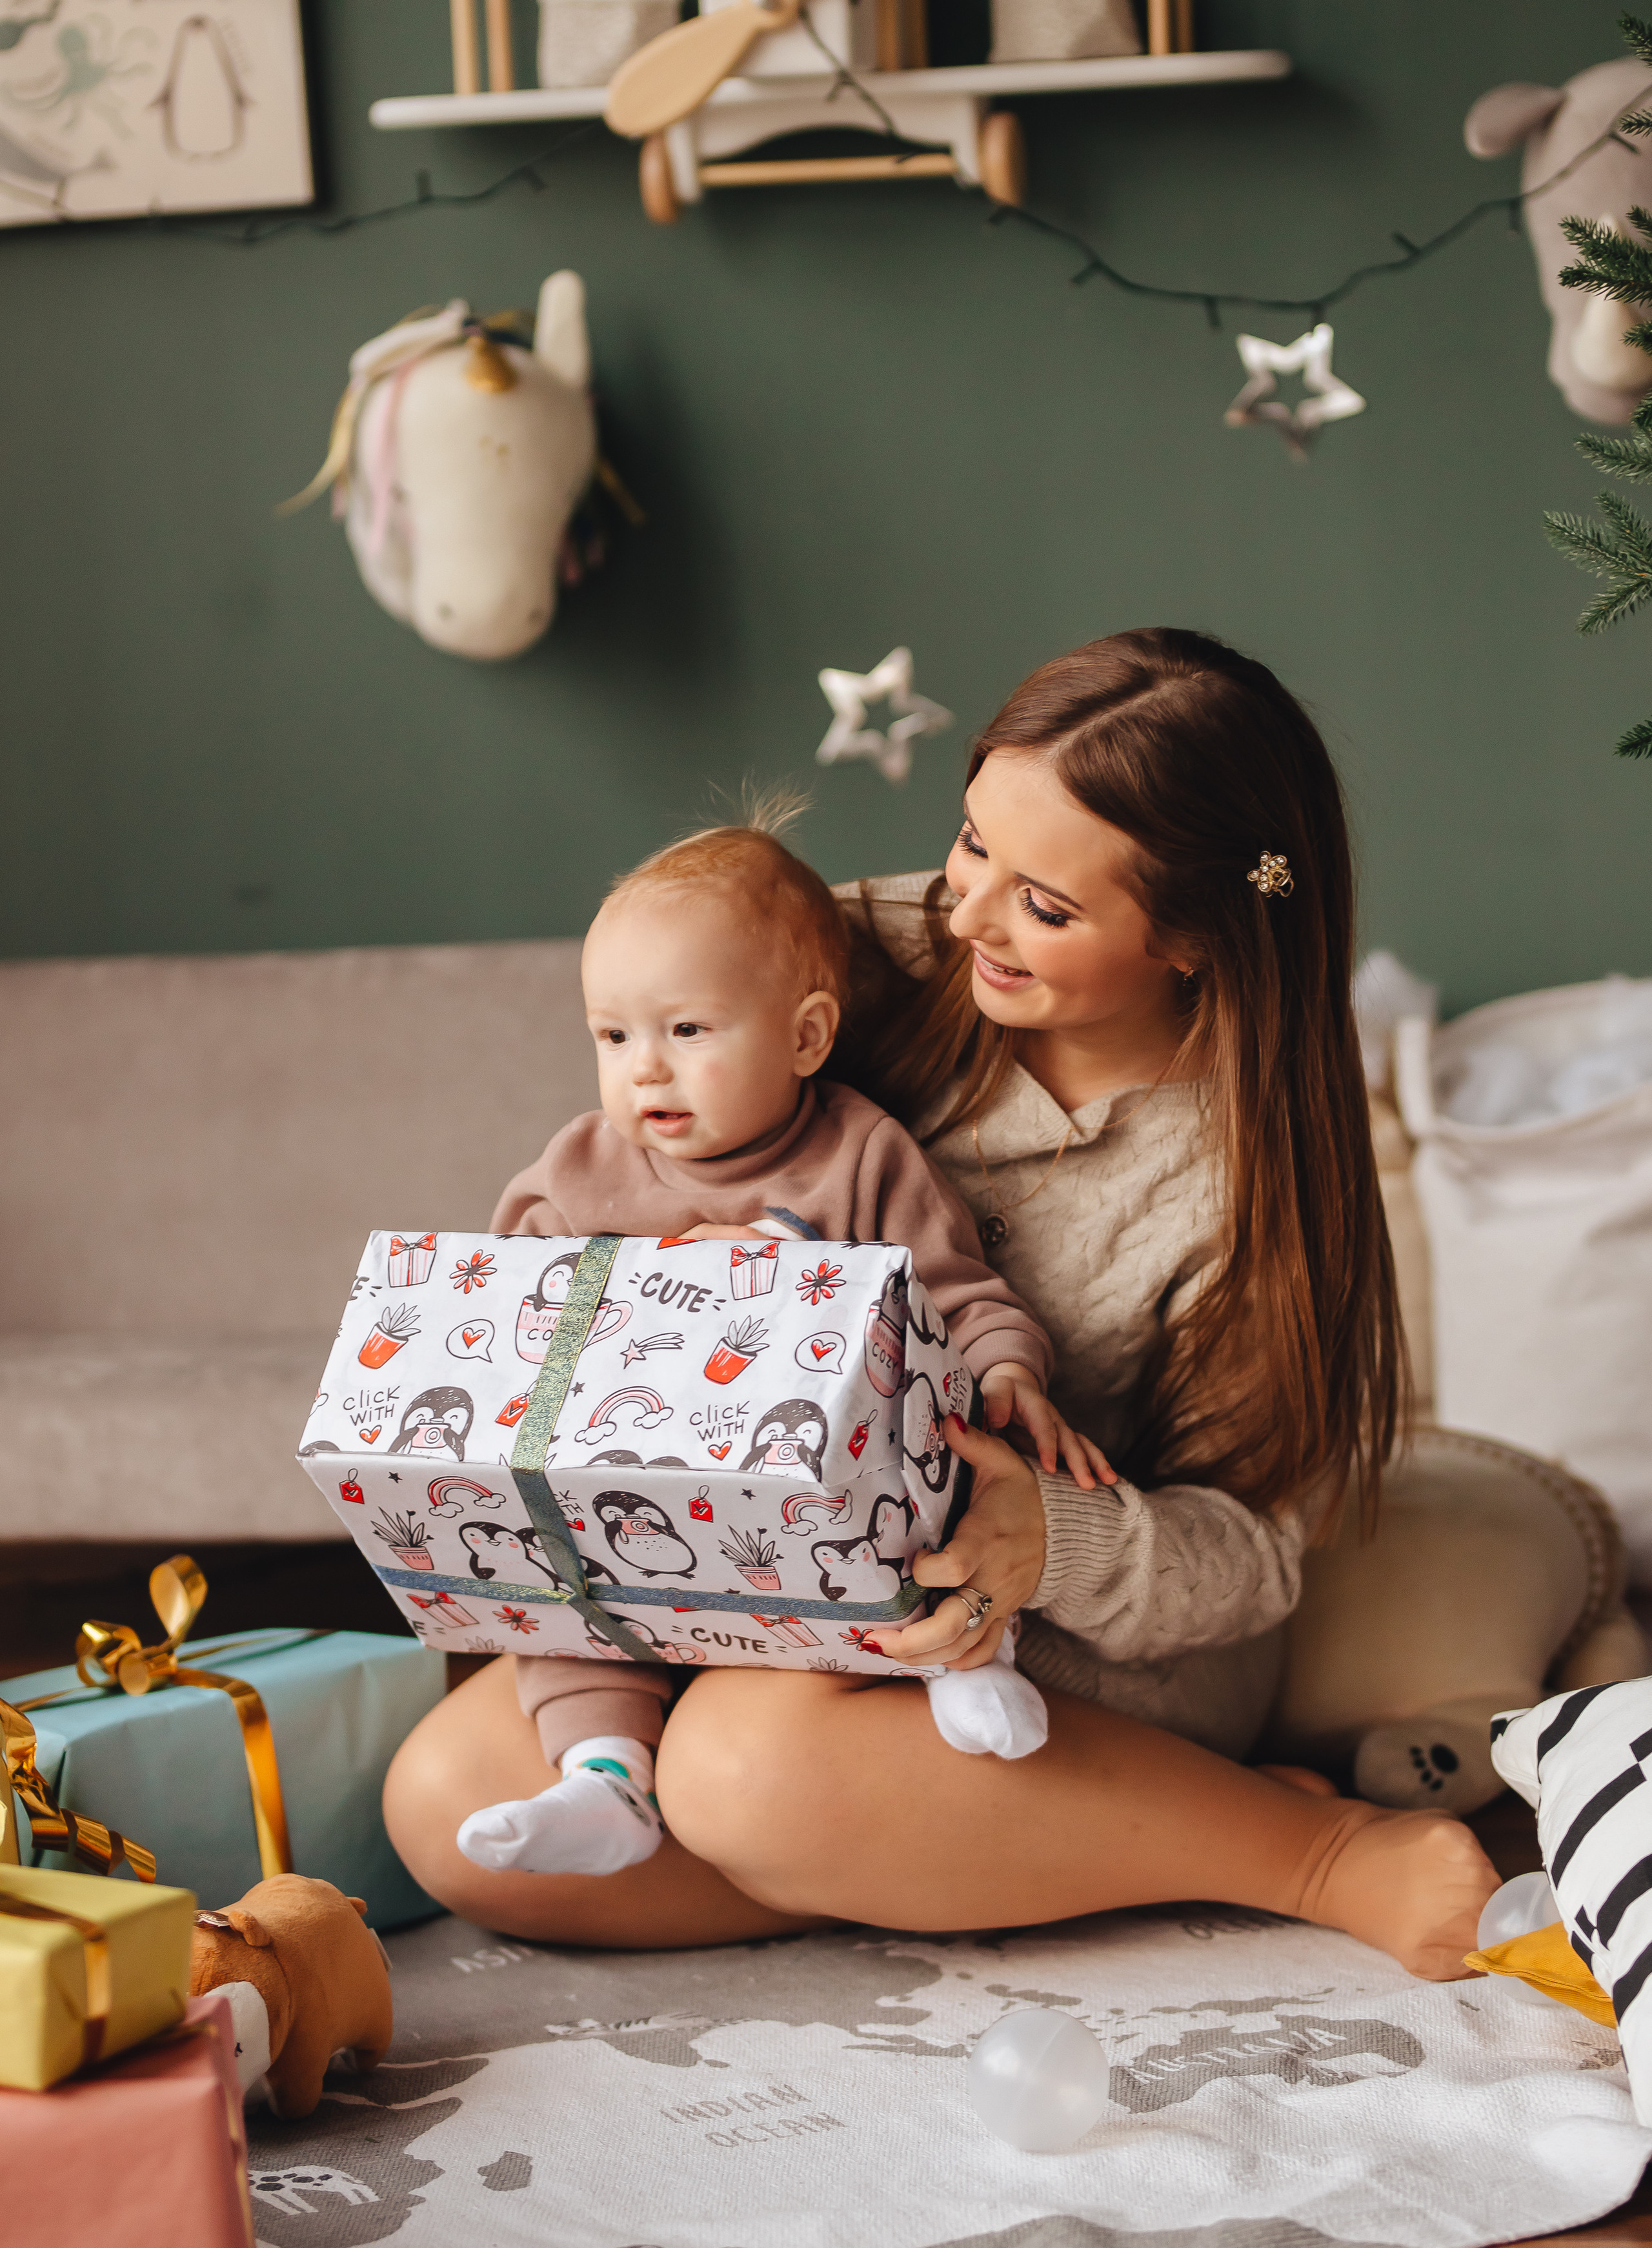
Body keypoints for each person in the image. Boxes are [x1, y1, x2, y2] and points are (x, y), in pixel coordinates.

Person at [383, 629, 1499, 1977]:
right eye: (971, 842)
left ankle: (1308, 1851)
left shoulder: (1247, 1179)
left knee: (746, 1766)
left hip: (1067, 1636)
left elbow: (1251, 1562)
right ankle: (941, 1850)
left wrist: (1051, 1542)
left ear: (1191, 937)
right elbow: (645, 1108)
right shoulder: (869, 956)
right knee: (445, 1806)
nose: (963, 913)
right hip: (768, 1578)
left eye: (1042, 903)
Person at [448, 811, 1108, 1883]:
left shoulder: (856, 1156)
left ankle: (967, 1668)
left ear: (805, 1036)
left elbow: (960, 1290)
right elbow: (503, 1323)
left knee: (941, 1502)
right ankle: (606, 1778)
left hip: (826, 1496)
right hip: (642, 1487)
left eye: (688, 1032)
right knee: (561, 1606)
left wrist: (1007, 1372)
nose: (645, 1073)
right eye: (613, 1038)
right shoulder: (577, 1169)